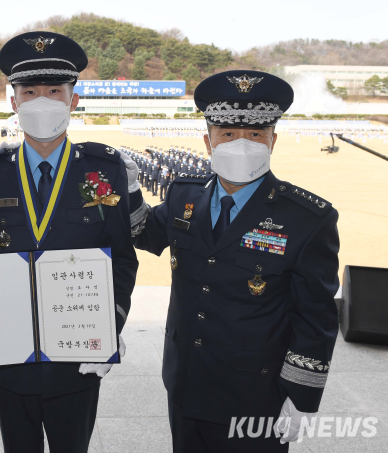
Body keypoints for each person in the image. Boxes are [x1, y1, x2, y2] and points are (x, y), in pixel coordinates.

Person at [125, 70, 340, 452]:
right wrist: (127, 193)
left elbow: (316, 314)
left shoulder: (306, 217)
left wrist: (302, 393)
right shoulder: (183, 198)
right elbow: (144, 234)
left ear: (273, 140)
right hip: (186, 380)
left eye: (255, 135)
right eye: (227, 134)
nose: (241, 144)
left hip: (255, 394)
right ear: (208, 142)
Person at [0, 32, 138, 453]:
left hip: (78, 354)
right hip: (8, 356)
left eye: (55, 91)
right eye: (30, 91)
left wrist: (111, 322)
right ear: (13, 101)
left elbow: (122, 259)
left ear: (73, 101)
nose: (42, 101)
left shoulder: (105, 170)